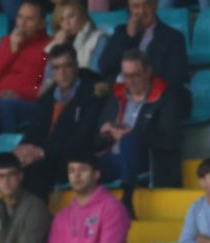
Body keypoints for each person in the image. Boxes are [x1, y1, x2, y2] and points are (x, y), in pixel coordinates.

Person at [14, 44, 105, 199]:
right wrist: (23, 149)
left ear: (76, 66)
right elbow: (34, 130)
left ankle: (33, 220)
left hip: (73, 159)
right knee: (9, 167)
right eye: (56, 68)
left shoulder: (92, 96)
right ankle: (10, 218)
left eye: (67, 66)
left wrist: (41, 152)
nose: (62, 73)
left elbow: (82, 139)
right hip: (45, 158)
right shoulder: (46, 98)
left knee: (35, 171)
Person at [96, 48, 187, 193]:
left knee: (129, 141)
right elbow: (98, 137)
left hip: (147, 161)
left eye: (135, 75)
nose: (130, 81)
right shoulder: (116, 96)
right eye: (126, 75)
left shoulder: (166, 98)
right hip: (112, 156)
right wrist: (105, 133)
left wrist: (133, 134)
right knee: (83, 161)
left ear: (148, 72)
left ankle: (127, 197)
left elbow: (171, 140)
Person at [0, 0, 49, 131]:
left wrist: (20, 94)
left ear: (41, 24)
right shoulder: (7, 42)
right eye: (20, 17)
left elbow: (43, 83)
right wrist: (12, 50)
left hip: (29, 103)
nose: (22, 23)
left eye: (29, 19)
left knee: (4, 106)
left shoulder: (48, 46)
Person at [96, 0, 188, 88]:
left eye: (146, 4)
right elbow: (104, 67)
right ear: (129, 8)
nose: (142, 11)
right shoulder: (121, 34)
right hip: (119, 96)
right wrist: (128, 37)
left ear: (155, 5)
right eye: (136, 6)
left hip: (155, 98)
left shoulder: (173, 38)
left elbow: (175, 79)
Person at [49, 0, 107, 71]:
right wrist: (57, 48)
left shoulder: (100, 39)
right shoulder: (57, 42)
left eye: (71, 17)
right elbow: (48, 77)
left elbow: (95, 73)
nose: (67, 23)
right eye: (62, 19)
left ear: (82, 17)